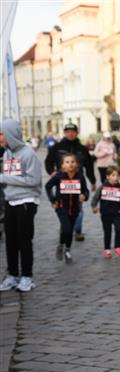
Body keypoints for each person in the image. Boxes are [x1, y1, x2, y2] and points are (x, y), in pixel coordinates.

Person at [0, 120, 43, 292]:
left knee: (24, 240)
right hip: (10, 201)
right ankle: (12, 275)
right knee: (10, 240)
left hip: (26, 201)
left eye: (1, 133)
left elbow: (33, 180)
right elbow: (11, 177)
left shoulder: (28, 154)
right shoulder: (7, 154)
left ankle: (27, 277)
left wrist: (3, 178)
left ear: (11, 134)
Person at [45, 123, 96, 241]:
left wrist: (92, 181)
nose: (70, 133)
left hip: (77, 181)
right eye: (68, 131)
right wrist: (52, 172)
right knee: (63, 206)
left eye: (73, 131)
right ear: (64, 133)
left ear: (77, 133)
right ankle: (65, 227)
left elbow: (89, 166)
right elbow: (48, 161)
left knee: (78, 206)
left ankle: (77, 230)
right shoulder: (57, 147)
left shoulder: (82, 149)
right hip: (62, 181)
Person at [46, 152, 89, 263]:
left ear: (77, 164)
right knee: (66, 228)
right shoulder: (59, 176)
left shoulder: (80, 176)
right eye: (67, 162)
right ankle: (61, 245)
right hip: (61, 207)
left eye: (73, 162)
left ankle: (67, 250)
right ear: (62, 166)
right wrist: (53, 200)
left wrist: (84, 196)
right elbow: (48, 186)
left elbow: (85, 190)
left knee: (70, 230)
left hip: (75, 208)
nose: (70, 164)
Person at [91, 165, 120, 258]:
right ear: (108, 176)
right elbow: (95, 198)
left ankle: (117, 247)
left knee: (119, 229)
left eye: (118, 176)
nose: (116, 178)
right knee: (107, 232)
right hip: (105, 213)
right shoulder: (102, 187)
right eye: (113, 175)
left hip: (117, 213)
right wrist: (94, 207)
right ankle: (107, 249)